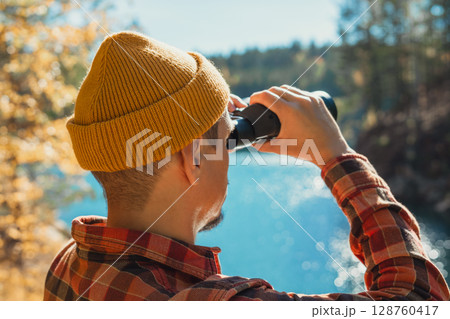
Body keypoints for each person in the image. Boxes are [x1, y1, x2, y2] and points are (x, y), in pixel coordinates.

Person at [44, 31, 449, 301]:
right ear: (193, 158)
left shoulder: (69, 264)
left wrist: (211, 125)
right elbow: (418, 300)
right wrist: (335, 154)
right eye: (227, 140)